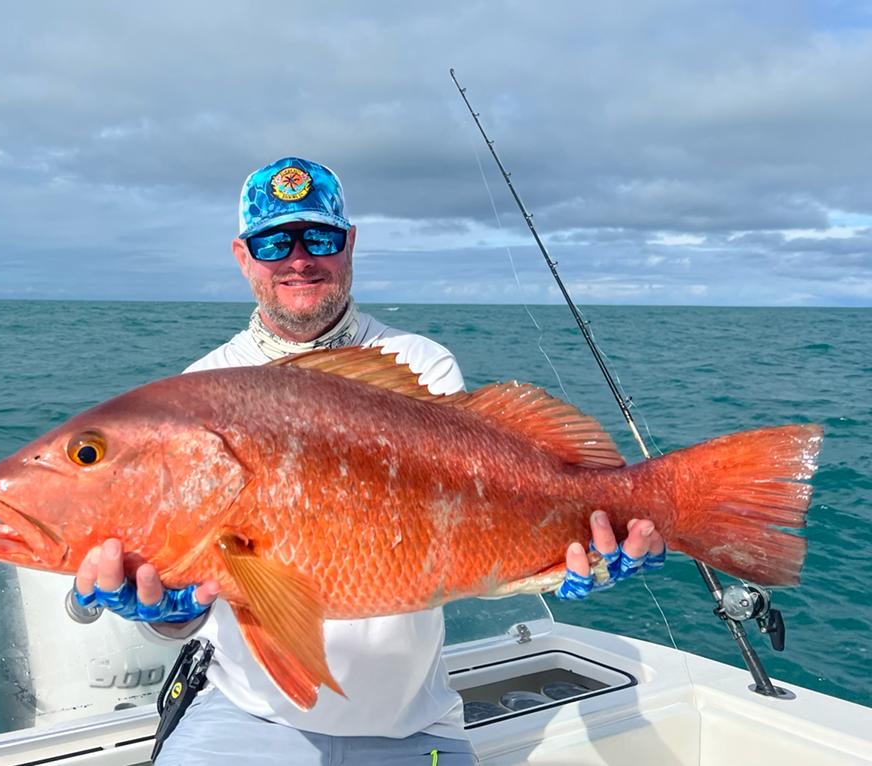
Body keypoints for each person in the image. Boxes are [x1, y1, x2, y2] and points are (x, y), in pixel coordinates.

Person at [73, 157, 667, 765]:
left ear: (350, 244)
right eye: (274, 241)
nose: (298, 259)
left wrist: (573, 562)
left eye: (320, 238)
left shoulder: (418, 363)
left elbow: (456, 549)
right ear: (243, 255)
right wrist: (168, 615)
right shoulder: (200, 387)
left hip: (410, 726)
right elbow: (193, 591)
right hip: (249, 713)